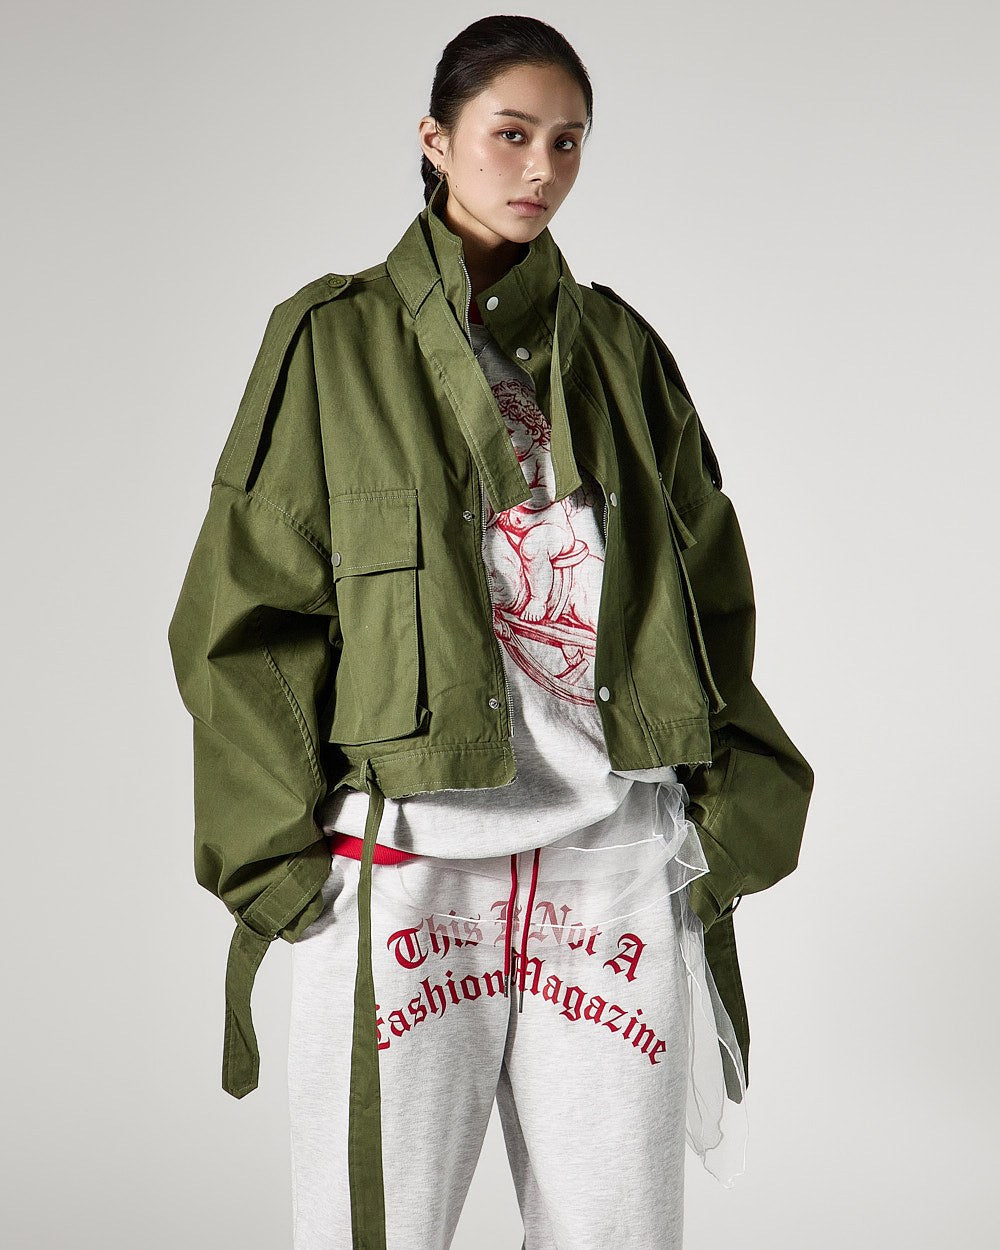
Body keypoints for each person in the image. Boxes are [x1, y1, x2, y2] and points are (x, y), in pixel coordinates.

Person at [168, 15, 814, 1249]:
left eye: (566, 142)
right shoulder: (333, 340)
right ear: (435, 139)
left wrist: (719, 815)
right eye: (510, 135)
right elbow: (241, 610)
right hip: (410, 861)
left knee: (617, 1233)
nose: (539, 169)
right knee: (375, 1230)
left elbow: (709, 592)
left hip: (610, 855)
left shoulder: (619, 347)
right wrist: (282, 863)